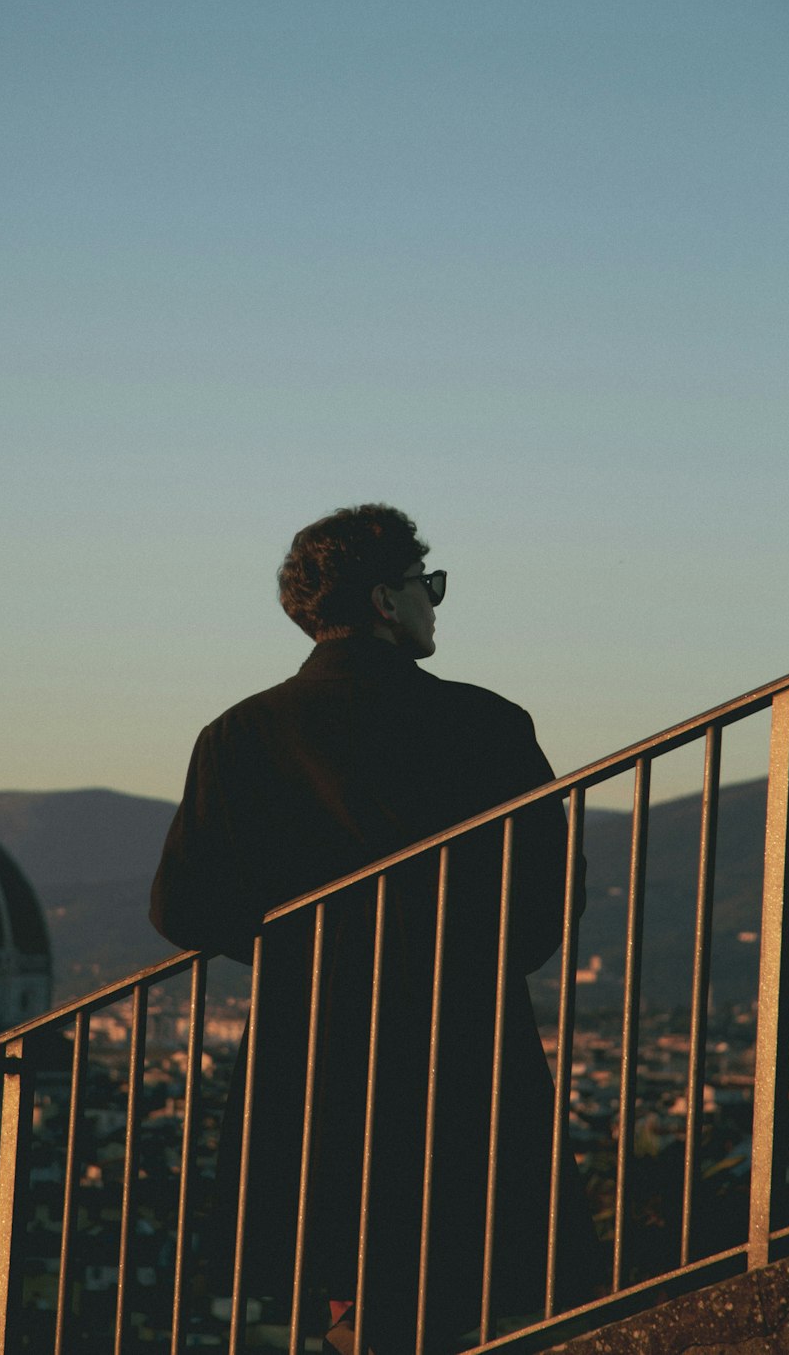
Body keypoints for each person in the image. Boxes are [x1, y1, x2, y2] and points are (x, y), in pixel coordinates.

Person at [150, 504, 600, 1353]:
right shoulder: (488, 723)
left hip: (311, 1041)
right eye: (425, 584)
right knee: (451, 1268)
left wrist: (301, 950)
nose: (436, 602)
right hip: (462, 1034)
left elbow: (182, 905)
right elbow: (547, 893)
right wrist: (473, 960)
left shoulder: (238, 735)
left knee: (337, 1265)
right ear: (386, 602)